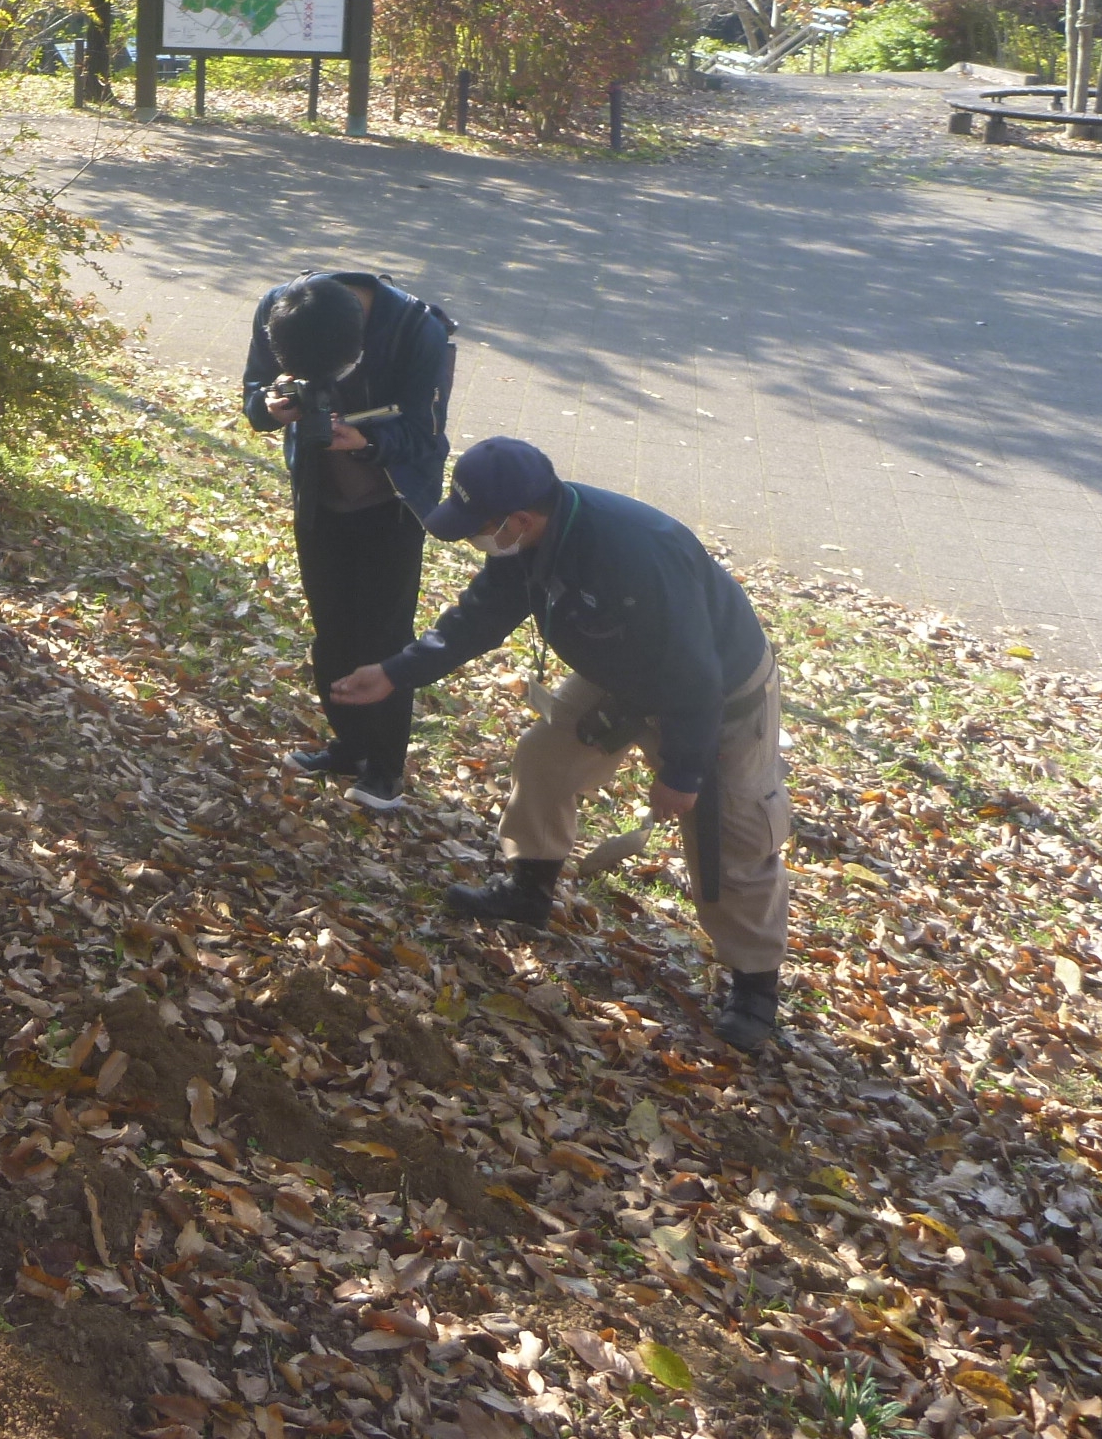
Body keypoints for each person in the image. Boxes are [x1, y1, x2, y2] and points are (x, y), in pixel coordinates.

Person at [328, 437, 791, 1052]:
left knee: (730, 835)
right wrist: (394, 672)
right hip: (619, 674)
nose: (475, 539)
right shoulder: (528, 543)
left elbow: (693, 678)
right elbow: (479, 618)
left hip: (717, 697)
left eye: (480, 527)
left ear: (519, 518)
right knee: (544, 759)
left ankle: (755, 983)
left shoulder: (636, 553)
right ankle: (530, 889)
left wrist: (682, 774)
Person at [242, 270, 456, 806]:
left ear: (360, 336)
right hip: (320, 499)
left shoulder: (416, 329)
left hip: (392, 503)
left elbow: (426, 430)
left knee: (383, 636)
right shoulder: (280, 309)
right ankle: (349, 746)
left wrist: (366, 440)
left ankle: (385, 767)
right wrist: (268, 407)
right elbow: (252, 392)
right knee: (332, 629)